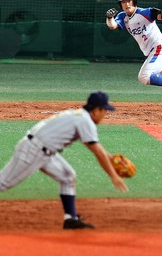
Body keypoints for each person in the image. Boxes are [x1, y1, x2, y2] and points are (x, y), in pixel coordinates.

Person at [0, 91, 129, 229]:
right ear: (97, 110)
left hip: (44, 151)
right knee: (3, 183)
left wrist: (111, 159)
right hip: (32, 151)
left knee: (68, 177)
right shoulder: (85, 121)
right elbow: (97, 152)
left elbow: (95, 146)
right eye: (105, 111)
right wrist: (113, 176)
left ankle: (70, 219)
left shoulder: (79, 115)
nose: (105, 115)